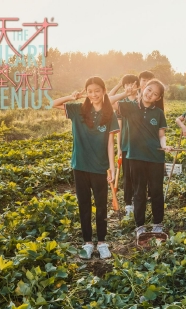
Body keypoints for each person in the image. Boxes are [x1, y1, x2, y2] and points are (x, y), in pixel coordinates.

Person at [52, 76, 119, 260]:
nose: (94, 94)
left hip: (100, 167)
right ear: (86, 93)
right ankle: (88, 242)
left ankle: (103, 242)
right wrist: (71, 97)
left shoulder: (109, 114)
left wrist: (111, 170)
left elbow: (110, 144)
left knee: (101, 206)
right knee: (84, 205)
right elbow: (53, 103)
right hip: (80, 166)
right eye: (90, 91)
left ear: (104, 91)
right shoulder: (78, 110)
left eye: (97, 90)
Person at [113, 79, 172, 238]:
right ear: (143, 88)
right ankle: (140, 225)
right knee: (138, 192)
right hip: (135, 156)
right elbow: (109, 102)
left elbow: (161, 135)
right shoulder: (130, 106)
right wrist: (125, 92)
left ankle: (158, 223)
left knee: (156, 191)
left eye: (155, 94)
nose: (150, 94)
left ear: (158, 98)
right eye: (149, 90)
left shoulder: (158, 113)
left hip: (155, 157)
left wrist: (164, 145)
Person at [109, 74, 139, 217]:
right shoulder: (122, 102)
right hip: (126, 146)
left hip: (140, 146)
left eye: (132, 84)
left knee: (138, 176)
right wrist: (119, 148)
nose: (129, 87)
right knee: (127, 176)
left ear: (138, 86)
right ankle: (128, 203)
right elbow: (108, 99)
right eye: (126, 84)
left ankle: (138, 200)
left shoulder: (141, 101)